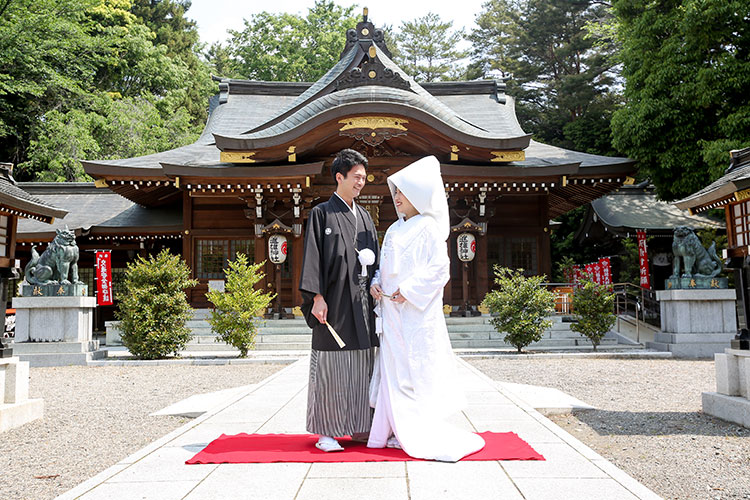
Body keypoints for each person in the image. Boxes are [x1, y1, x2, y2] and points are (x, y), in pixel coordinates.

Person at [367, 155, 485, 462]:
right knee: (393, 370)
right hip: (391, 312)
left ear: (417, 194)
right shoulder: (393, 229)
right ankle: (391, 429)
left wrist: (408, 291)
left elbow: (440, 269)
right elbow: (384, 267)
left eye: (402, 192)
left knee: (414, 370)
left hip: (417, 314)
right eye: (395, 192)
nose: (396, 197)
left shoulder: (430, 229)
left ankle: (415, 429)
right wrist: (375, 284)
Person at [299, 148, 380, 452]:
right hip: (332, 302)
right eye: (356, 177)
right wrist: (316, 296)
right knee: (330, 366)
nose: (361, 182)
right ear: (340, 177)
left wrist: (377, 285)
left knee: (362, 364)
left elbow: (376, 262)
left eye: (363, 177)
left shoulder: (366, 218)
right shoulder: (322, 214)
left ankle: (361, 427)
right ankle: (326, 431)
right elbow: (312, 258)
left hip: (362, 304)